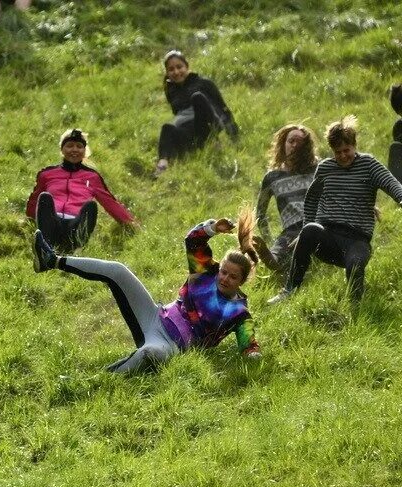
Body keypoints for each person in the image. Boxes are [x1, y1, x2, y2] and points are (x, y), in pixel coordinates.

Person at [31, 212, 260, 373]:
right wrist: (211, 229)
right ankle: (52, 260)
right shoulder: (206, 273)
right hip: (154, 316)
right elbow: (193, 241)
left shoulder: (239, 312)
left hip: (171, 345)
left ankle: (100, 380)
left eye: (233, 277)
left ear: (242, 281)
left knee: (148, 353)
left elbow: (248, 343)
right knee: (118, 270)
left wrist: (253, 354)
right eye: (224, 272)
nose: (225, 279)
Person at [269, 116, 402, 305]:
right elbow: (312, 199)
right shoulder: (326, 168)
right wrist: (306, 229)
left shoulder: (369, 165)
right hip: (328, 237)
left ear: (354, 146)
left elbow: (391, 183)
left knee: (355, 263)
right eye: (338, 152)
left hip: (357, 240)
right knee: (310, 230)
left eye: (346, 150)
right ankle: (290, 290)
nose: (343, 156)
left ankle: (356, 308)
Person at [26, 128, 138, 253]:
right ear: (62, 149)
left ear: (84, 151)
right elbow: (35, 199)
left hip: (75, 224)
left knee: (91, 206)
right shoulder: (47, 174)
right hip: (51, 223)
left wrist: (130, 223)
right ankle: (46, 246)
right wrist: (29, 218)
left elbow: (110, 202)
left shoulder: (92, 176)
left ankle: (73, 247)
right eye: (69, 146)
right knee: (45, 197)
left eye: (79, 146)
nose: (74, 150)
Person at [153, 50, 239, 178]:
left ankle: (213, 140)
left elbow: (223, 108)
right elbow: (178, 115)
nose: (176, 72)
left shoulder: (204, 83)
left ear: (187, 66)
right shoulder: (171, 90)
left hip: (207, 123)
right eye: (171, 69)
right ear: (167, 72)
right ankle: (163, 163)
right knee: (167, 127)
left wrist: (234, 136)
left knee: (197, 97)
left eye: (179, 67)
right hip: (190, 133)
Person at [253, 124, 318, 274]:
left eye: (300, 142)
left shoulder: (318, 169)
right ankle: (272, 257)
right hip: (291, 230)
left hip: (317, 224)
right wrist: (268, 240)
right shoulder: (272, 177)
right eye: (291, 141)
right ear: (283, 144)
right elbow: (260, 214)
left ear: (306, 147)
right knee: (277, 259)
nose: (295, 146)